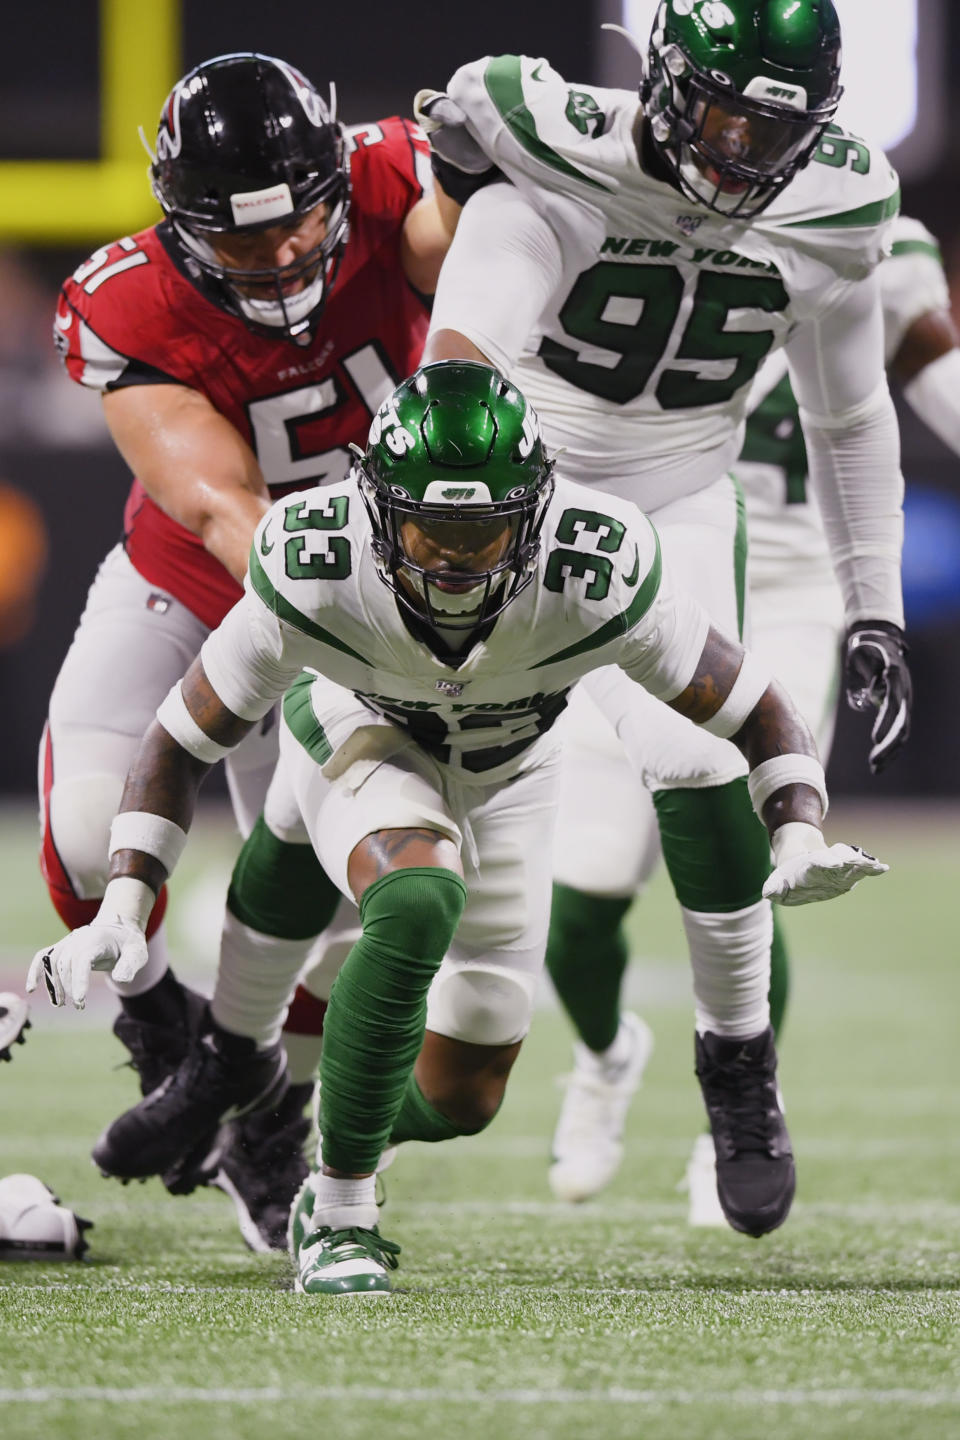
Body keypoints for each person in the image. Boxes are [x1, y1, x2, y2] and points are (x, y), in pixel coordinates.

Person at [28, 361, 885, 1295]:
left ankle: (267, 1085)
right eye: (428, 526)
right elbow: (180, 739)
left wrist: (796, 830)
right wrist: (122, 901)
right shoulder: (316, 557)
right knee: (417, 892)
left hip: (516, 769)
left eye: (480, 532)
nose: (450, 557)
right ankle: (341, 1210)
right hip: (362, 724)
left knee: (468, 1088)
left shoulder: (594, 563)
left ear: (535, 512)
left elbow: (755, 707)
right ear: (374, 504)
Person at [408, 0, 911, 1230]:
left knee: (698, 757)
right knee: (389, 784)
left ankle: (738, 1066)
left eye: (775, 125)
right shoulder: (558, 148)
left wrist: (873, 606)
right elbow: (458, 339)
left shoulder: (838, 208)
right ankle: (252, 1050)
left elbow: (852, 419)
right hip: (505, 493)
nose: (743, 149)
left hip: (680, 497)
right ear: (669, 81)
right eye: (728, 111)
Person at [41, 50, 454, 1250]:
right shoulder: (127, 301)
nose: (280, 259)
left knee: (336, 893)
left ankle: (261, 1104)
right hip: (207, 582)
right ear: (181, 228)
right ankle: (166, 1035)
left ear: (336, 177)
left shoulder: (400, 182)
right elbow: (228, 514)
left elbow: (502, 264)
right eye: (239, 243)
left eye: (299, 226)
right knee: (83, 833)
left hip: (396, 593)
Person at [546, 212, 960, 1221]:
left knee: (753, 847)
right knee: (582, 899)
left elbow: (936, 373)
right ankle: (606, 1056)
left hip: (785, 581)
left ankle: (734, 1112)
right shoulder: (620, 207)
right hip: (648, 566)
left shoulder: (865, 232)